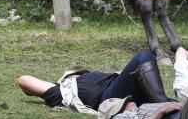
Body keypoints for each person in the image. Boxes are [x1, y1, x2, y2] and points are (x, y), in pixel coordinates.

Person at [16, 49, 169, 115]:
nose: (76, 74)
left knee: (143, 61)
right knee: (143, 56)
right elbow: (23, 80)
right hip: (109, 98)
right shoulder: (62, 91)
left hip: (128, 89)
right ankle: (164, 104)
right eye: (72, 75)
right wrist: (60, 84)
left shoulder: (97, 76)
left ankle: (168, 104)